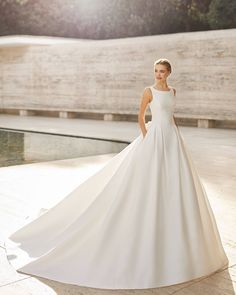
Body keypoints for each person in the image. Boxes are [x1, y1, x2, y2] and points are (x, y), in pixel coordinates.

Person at [5, 58, 229, 290]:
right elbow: (141, 116)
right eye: (155, 71)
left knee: (175, 186)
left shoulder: (173, 91)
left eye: (162, 71)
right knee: (147, 184)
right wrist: (146, 138)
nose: (158, 74)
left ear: (169, 73)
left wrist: (178, 136)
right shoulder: (148, 91)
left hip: (172, 140)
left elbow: (171, 116)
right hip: (153, 139)